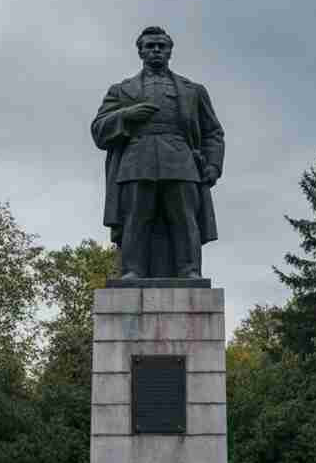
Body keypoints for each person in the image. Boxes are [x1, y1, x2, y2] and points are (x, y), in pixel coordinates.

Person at [91, 26, 225, 279]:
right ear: (140, 51)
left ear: (170, 51)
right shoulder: (121, 90)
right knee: (135, 218)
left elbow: (213, 132)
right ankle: (132, 270)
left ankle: (189, 270)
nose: (156, 50)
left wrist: (213, 166)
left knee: (185, 219)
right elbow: (98, 129)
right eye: (150, 46)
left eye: (161, 46)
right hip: (136, 159)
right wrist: (126, 115)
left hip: (181, 159)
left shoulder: (193, 90)